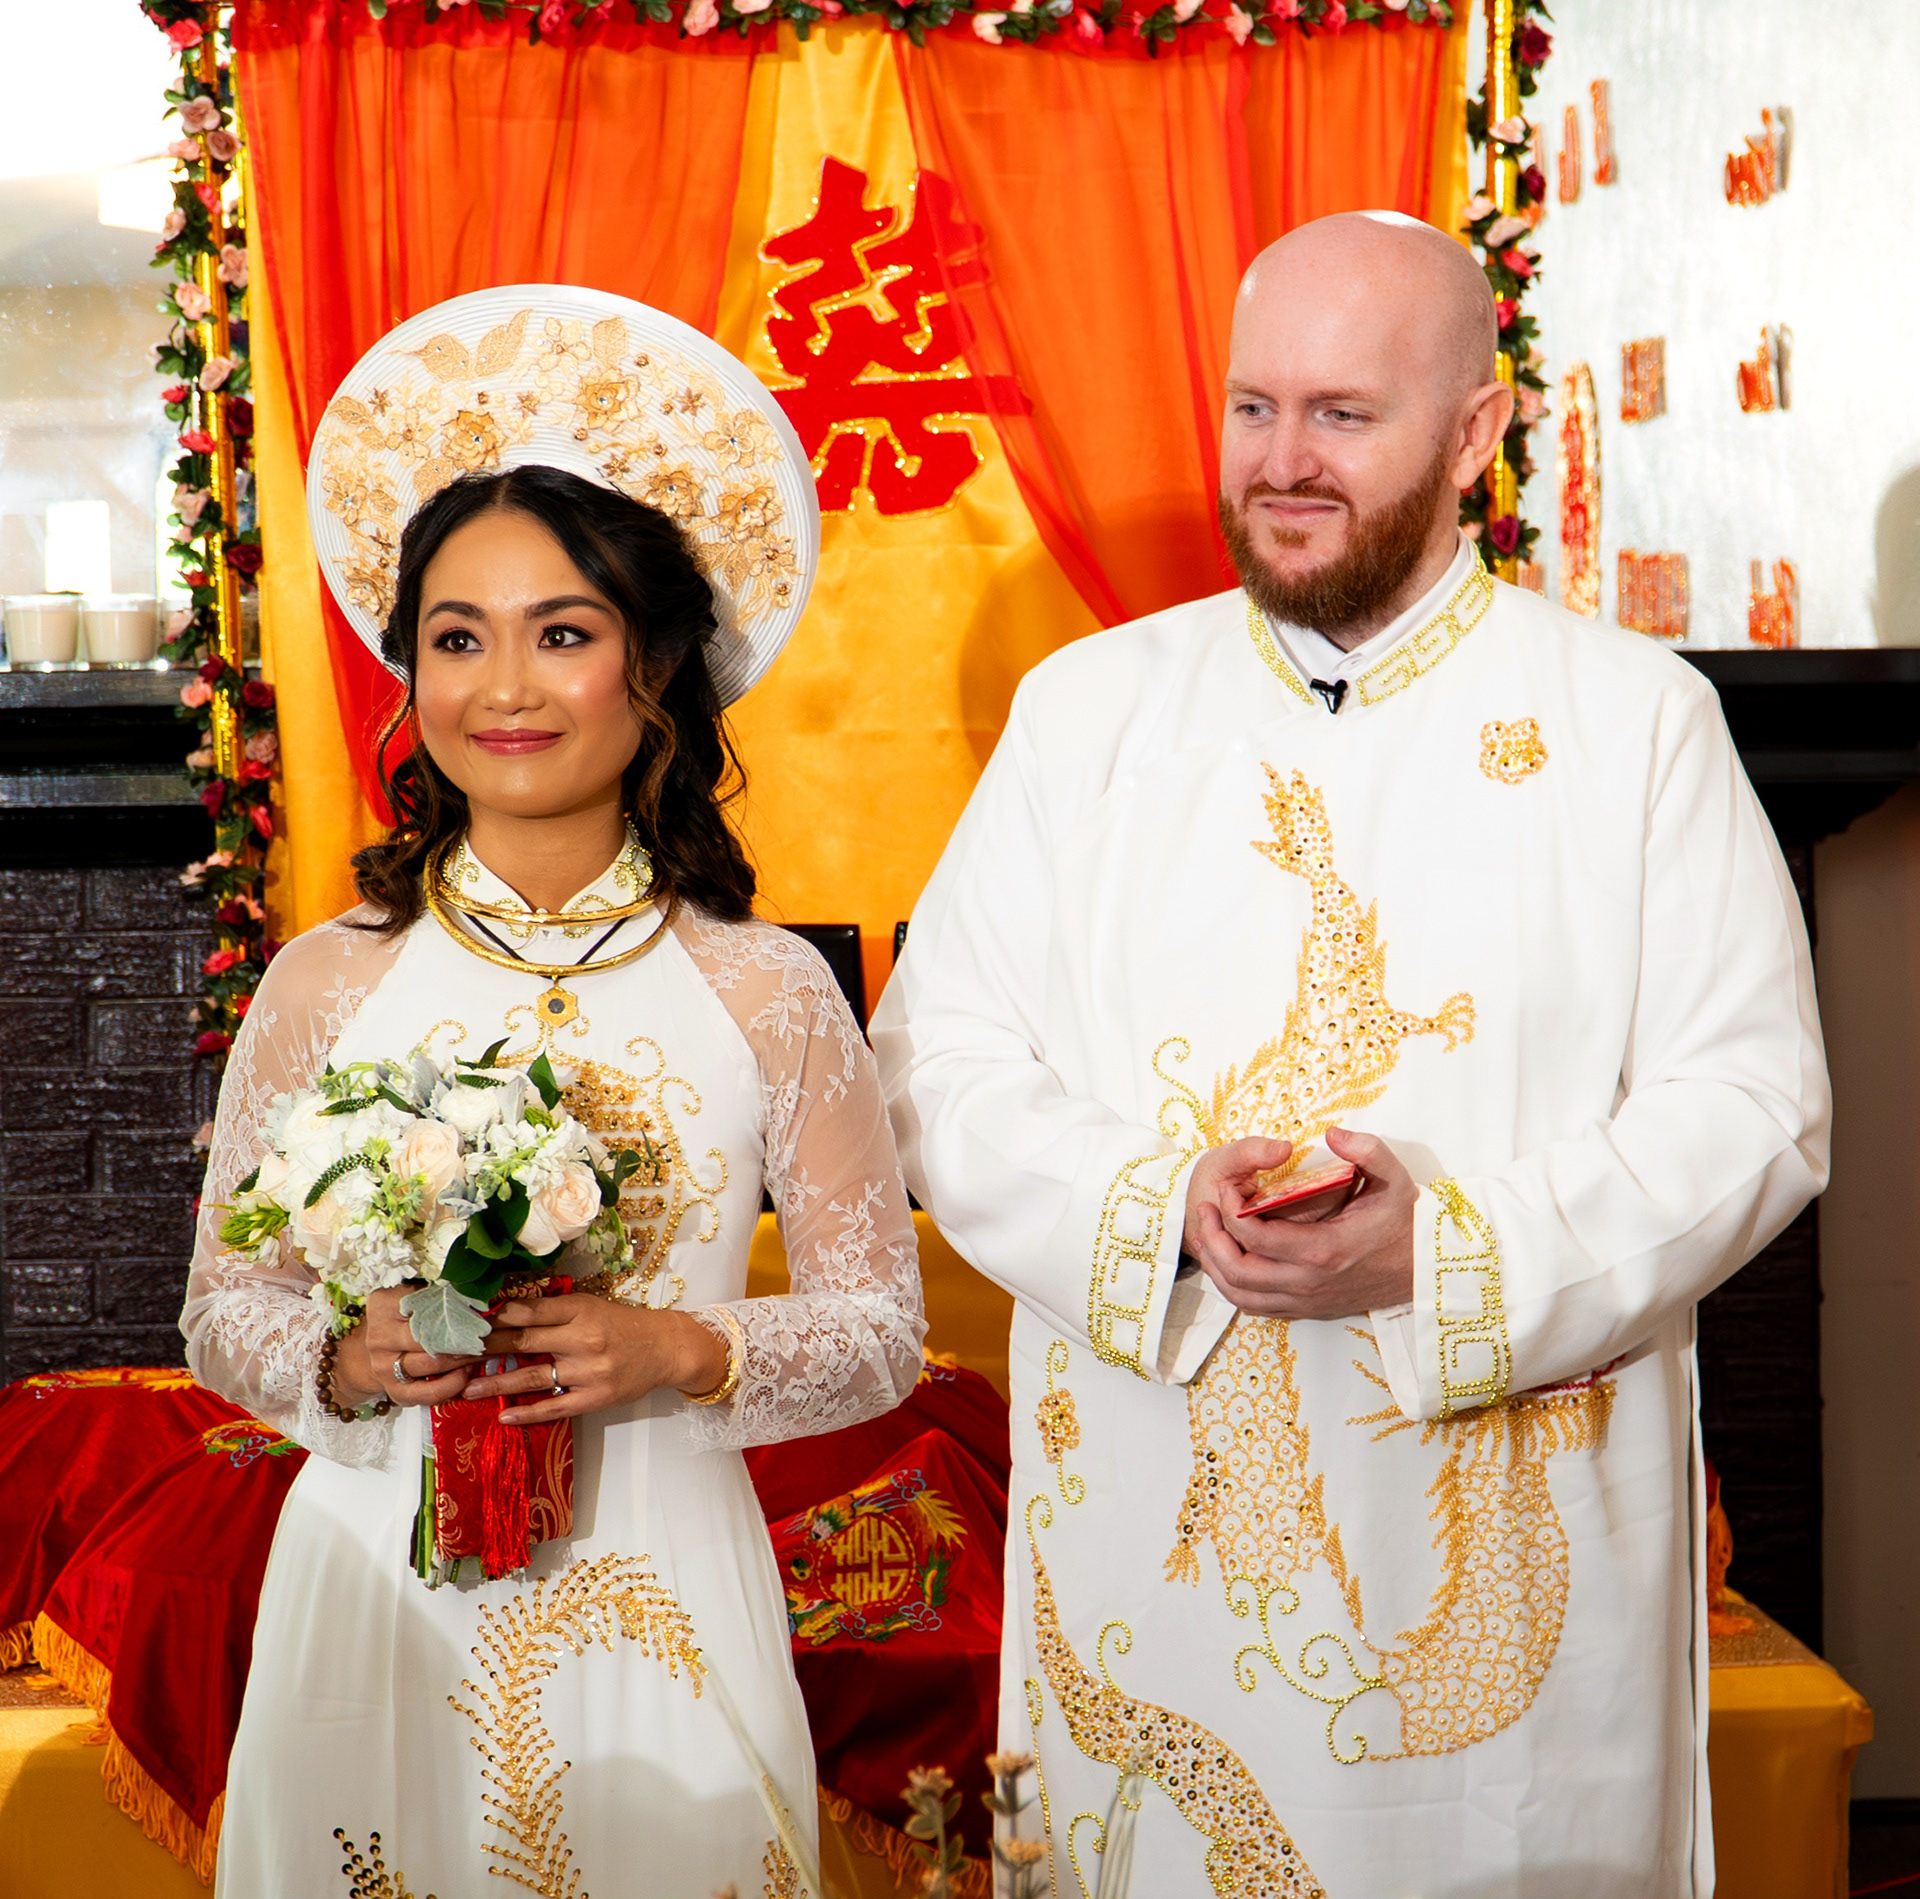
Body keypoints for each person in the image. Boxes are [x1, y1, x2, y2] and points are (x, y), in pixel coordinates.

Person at [870, 212, 1828, 1897]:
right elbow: (934, 1059)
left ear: (1471, 433)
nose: (1282, 461)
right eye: (1254, 407)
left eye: (1342, 415)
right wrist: (1158, 1210)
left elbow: (1754, 1106)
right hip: (1156, 1536)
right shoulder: (1089, 712)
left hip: (1511, 1543)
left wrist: (1445, 1258)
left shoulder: (1634, 723)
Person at [181, 289, 924, 1897]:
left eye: (563, 634)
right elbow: (223, 1311)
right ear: (410, 676)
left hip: (663, 1595)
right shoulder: (326, 981)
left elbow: (881, 1331)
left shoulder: (768, 989)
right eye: (457, 637)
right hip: (372, 1598)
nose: (502, 687)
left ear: (658, 666)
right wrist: (345, 1356)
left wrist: (682, 1347)